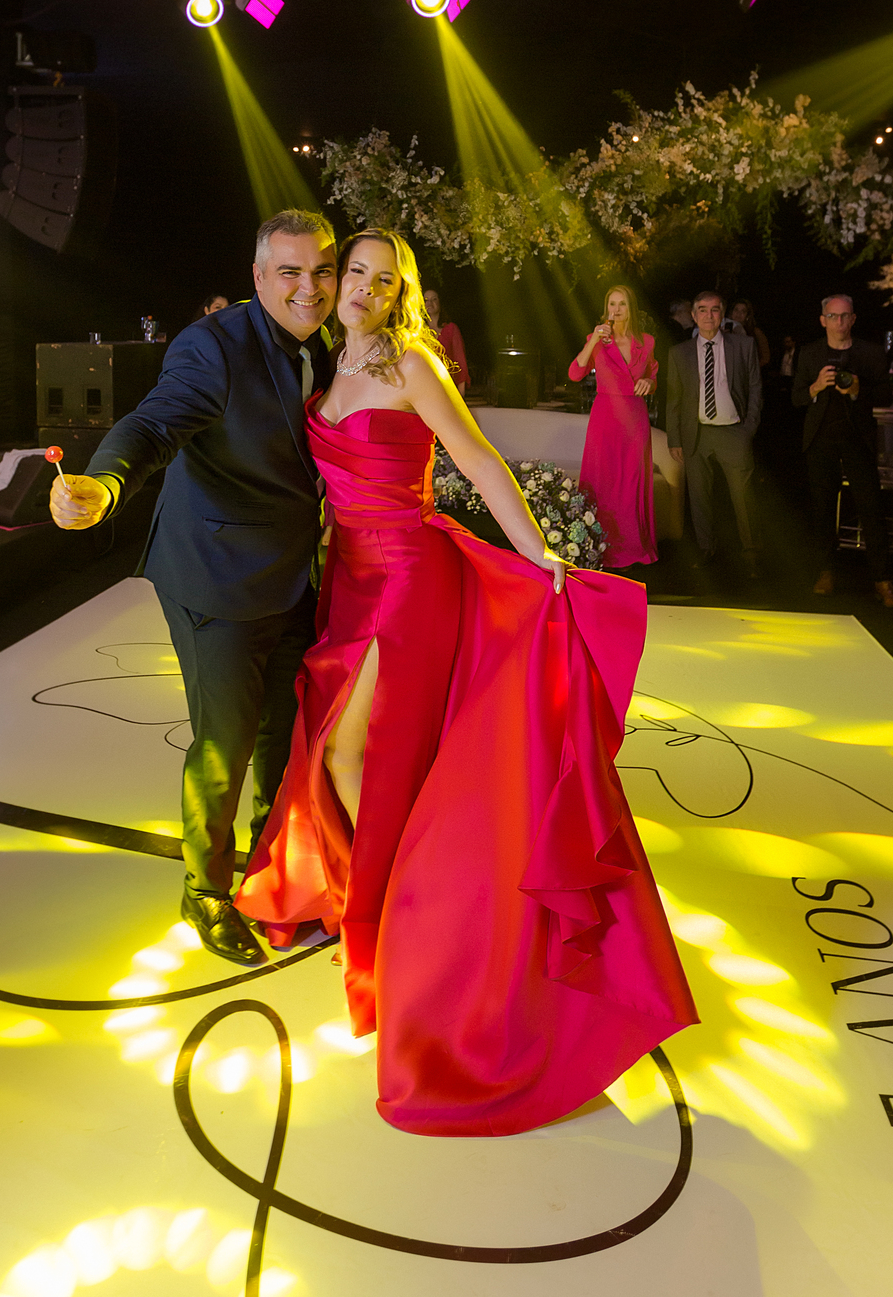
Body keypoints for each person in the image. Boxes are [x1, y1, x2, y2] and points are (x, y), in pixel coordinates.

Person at [237, 229, 697, 1138]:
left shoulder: (413, 363)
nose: (363, 288)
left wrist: (541, 554)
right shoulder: (325, 363)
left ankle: (409, 919)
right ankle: (390, 904)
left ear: (400, 291)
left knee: (352, 754)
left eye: (382, 279)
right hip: (349, 578)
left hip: (408, 578)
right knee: (363, 755)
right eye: (353, 273)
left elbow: (479, 461)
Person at [49, 210, 337, 966]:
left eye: (322, 271)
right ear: (258, 277)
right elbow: (151, 426)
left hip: (294, 572)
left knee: (285, 732)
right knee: (224, 742)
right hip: (216, 574)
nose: (309, 288)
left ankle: (274, 867)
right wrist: (106, 485)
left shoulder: (322, 340)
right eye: (289, 272)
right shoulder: (213, 347)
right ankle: (204, 890)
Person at [793, 294, 893, 608]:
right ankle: (825, 571)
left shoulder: (870, 352)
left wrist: (857, 390)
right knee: (823, 509)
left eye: (844, 316)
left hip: (858, 439)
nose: (839, 322)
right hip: (820, 439)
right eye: (833, 316)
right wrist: (816, 386)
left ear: (853, 319)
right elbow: (797, 398)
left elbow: (885, 395)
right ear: (822, 320)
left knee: (871, 508)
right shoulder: (810, 353)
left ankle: (882, 579)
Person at [666, 290, 762, 574]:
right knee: (699, 497)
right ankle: (706, 550)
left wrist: (748, 429)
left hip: (733, 431)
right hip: (696, 433)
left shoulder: (743, 345)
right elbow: (673, 399)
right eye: (703, 310)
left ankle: (751, 552)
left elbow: (755, 388)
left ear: (723, 314)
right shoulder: (679, 352)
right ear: (694, 316)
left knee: (743, 497)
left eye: (715, 310)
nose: (709, 316)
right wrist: (674, 439)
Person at [567, 285, 657, 567]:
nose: (616, 310)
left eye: (622, 304)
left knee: (631, 482)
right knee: (602, 482)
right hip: (605, 417)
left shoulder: (647, 342)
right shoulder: (596, 340)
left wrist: (649, 382)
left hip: (634, 419)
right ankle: (598, 546)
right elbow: (575, 373)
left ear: (631, 309)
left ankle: (631, 547)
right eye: (612, 304)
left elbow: (652, 376)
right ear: (606, 309)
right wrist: (594, 339)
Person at [422, 287, 469, 393]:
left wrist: (461, 393)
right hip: (423, 387)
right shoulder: (417, 331)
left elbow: (460, 360)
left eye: (434, 299)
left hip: (447, 387)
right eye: (426, 300)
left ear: (440, 302)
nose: (429, 303)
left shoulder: (451, 329)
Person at [728, 298, 770, 369]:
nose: (738, 314)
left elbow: (765, 357)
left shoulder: (755, 332)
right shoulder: (725, 330)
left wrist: (751, 369)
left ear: (747, 315)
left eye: (743, 311)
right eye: (736, 310)